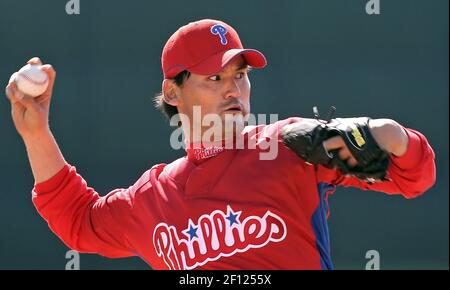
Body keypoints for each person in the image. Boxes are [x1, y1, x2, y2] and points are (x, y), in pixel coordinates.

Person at [4, 19, 435, 270]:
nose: (234, 90)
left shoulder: (289, 146)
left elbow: (414, 177)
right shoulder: (153, 198)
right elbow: (79, 221)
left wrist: (392, 135)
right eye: (214, 78)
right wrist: (36, 133)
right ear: (172, 92)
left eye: (240, 75)